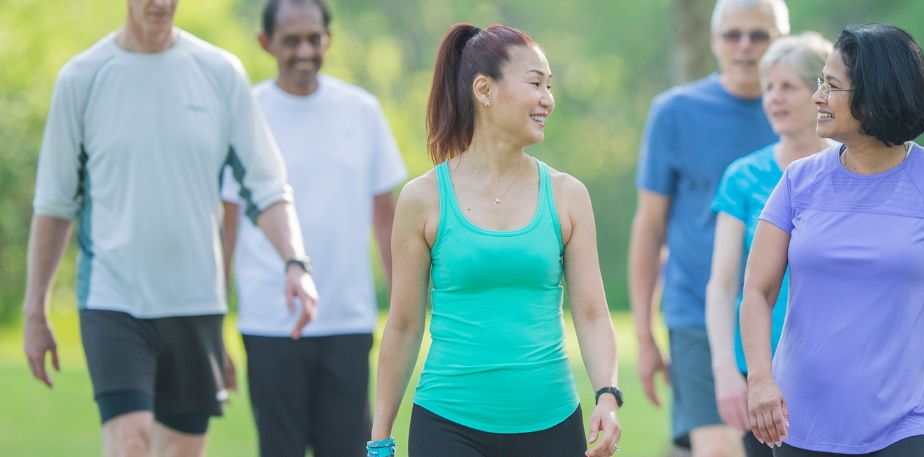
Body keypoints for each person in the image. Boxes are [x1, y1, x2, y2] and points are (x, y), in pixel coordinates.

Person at [21, 0, 318, 455]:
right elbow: (55, 205)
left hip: (195, 301)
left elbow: (267, 187)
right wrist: (35, 308)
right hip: (112, 298)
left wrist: (295, 262)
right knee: (131, 441)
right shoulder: (82, 78)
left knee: (180, 450)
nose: (161, 4)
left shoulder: (220, 73)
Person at [367, 23, 621, 457]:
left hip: (553, 424)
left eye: (550, 86)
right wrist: (380, 437)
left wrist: (607, 396)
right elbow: (405, 325)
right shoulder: (423, 198)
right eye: (535, 83)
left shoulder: (568, 196)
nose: (548, 99)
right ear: (484, 89)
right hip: (448, 425)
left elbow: (593, 313)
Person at [741, 23, 924, 457]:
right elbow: (758, 292)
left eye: (831, 86)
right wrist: (760, 379)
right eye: (819, 83)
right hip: (799, 424)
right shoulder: (798, 181)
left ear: (875, 96)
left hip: (903, 425)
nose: (818, 97)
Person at [219, 1, 407, 456]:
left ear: (329, 39)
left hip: (347, 318)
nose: (304, 50)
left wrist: (406, 308)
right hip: (269, 321)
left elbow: (387, 219)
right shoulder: (245, 114)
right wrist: (212, 322)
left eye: (313, 38)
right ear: (266, 43)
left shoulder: (361, 111)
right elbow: (226, 225)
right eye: (291, 40)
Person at [629, 0, 789, 454]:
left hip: (786, 319)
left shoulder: (801, 112)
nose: (745, 47)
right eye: (733, 35)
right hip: (697, 314)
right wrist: (644, 335)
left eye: (759, 35)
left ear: (782, 42)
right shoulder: (674, 112)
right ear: (715, 41)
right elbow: (649, 228)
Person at [705, 32, 832, 457]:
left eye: (788, 86)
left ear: (821, 93)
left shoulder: (850, 171)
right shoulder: (742, 177)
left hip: (833, 371)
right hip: (760, 376)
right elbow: (723, 284)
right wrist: (725, 369)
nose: (774, 98)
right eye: (769, 87)